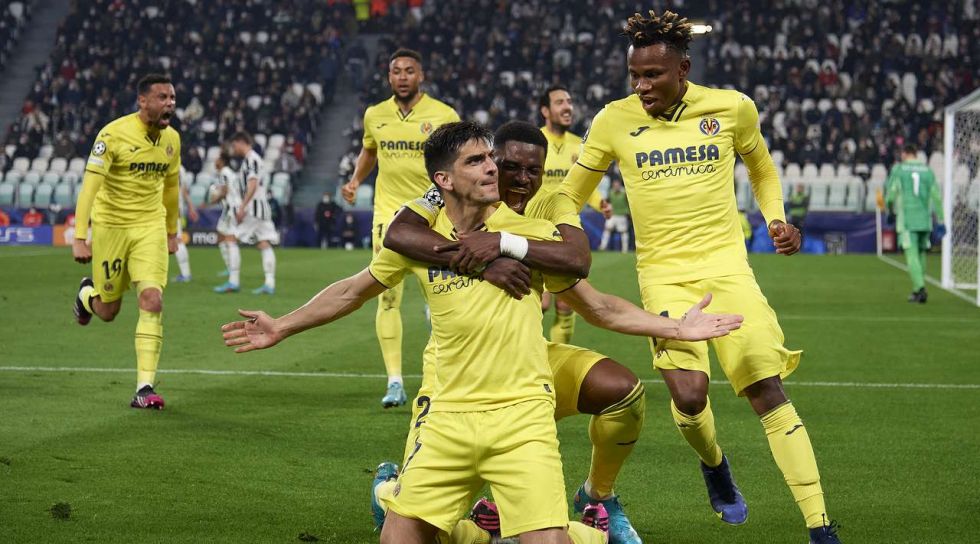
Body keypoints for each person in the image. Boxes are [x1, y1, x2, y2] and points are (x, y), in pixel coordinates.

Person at [222, 122, 741, 544]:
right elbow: (351, 291)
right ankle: (411, 502)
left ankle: (583, 527)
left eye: (491, 158)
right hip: (446, 414)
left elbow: (599, 306)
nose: (494, 168)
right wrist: (281, 325)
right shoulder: (421, 241)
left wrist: (676, 327)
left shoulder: (529, 232)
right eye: (477, 161)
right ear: (443, 180)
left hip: (521, 415)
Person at [382, 121, 741, 544]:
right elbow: (376, 262)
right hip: (454, 379)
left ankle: (599, 497)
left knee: (622, 391)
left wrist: (677, 327)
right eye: (508, 166)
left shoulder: (549, 208)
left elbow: (590, 289)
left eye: (534, 170)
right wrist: (479, 260)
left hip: (525, 364)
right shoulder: (437, 219)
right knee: (412, 528)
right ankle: (401, 498)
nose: (522, 179)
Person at [557, 11, 841, 543]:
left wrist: (775, 219)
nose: (641, 86)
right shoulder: (613, 120)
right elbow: (569, 194)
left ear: (683, 70)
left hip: (727, 268)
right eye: (634, 75)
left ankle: (820, 525)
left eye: (653, 75)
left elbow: (761, 168)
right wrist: (554, 235)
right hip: (663, 275)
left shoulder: (732, 108)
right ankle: (715, 464)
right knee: (689, 396)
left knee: (765, 387)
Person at [340, 48, 460, 408]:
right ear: (389, 77)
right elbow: (370, 151)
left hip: (434, 218)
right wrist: (355, 180)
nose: (403, 77)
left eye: (409, 71)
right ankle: (394, 382)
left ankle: (445, 374)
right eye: (396, 71)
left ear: (420, 76)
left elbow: (459, 161)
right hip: (389, 219)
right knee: (387, 297)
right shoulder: (374, 115)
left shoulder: (444, 115)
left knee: (442, 297)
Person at [70, 73, 181, 409]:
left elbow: (171, 188)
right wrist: (80, 236)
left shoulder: (172, 140)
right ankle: (86, 295)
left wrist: (172, 231)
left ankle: (144, 388)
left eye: (172, 98)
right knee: (108, 310)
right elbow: (89, 187)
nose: (170, 103)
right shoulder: (112, 135)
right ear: (142, 101)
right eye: (162, 97)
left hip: (149, 227)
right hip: (112, 228)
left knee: (152, 299)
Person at [885, 144, 945, 303]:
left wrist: (889, 211)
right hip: (925, 219)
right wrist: (941, 219)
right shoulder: (928, 171)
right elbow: (936, 196)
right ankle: (917, 289)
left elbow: (891, 194)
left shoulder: (899, 169)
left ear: (905, 154)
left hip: (908, 219)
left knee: (911, 255)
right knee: (921, 253)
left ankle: (920, 288)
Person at [222, 131, 278, 295]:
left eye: (235, 145)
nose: (234, 149)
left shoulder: (251, 159)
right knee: (263, 243)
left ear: (241, 142)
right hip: (262, 209)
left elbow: (252, 184)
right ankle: (269, 284)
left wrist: (242, 207)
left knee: (230, 238)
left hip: (253, 209)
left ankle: (233, 282)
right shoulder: (253, 159)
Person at [209, 151, 242, 287]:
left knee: (230, 240)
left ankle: (233, 277)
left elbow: (224, 191)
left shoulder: (224, 172)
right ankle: (230, 268)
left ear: (222, 161)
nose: (215, 162)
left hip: (231, 208)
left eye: (217, 159)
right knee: (221, 236)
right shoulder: (229, 172)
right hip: (231, 208)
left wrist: (213, 200)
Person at [172, 169, 199, 282]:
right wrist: (191, 207)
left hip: (171, 207)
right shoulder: (181, 168)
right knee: (176, 239)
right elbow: (184, 190)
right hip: (175, 206)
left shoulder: (173, 165)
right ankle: (185, 273)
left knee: (177, 240)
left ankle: (186, 274)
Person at [599, 179, 630, 253]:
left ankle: (625, 249)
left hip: (622, 215)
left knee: (623, 231)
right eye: (615, 185)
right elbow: (607, 202)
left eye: (617, 185)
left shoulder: (624, 193)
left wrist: (628, 213)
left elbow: (628, 203)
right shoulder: (610, 193)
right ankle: (603, 246)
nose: (616, 187)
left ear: (620, 185)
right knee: (607, 229)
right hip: (613, 215)